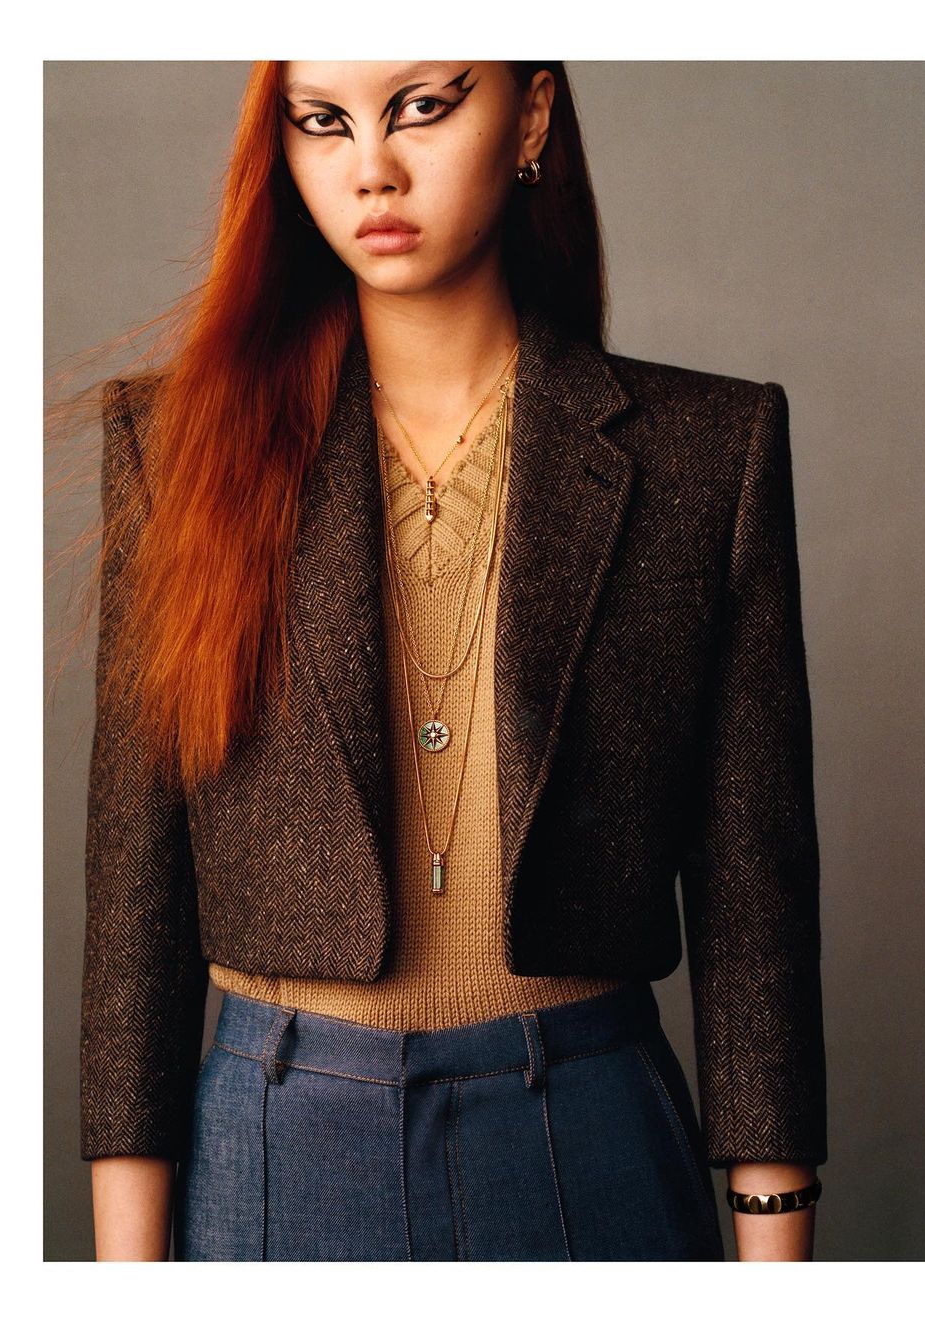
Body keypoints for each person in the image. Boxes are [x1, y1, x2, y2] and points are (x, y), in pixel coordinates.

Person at [80, 60, 828, 1261]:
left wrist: (775, 1254)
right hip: (276, 1136)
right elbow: (136, 904)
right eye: (322, 122)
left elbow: (757, 901)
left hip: (588, 1133)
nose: (372, 167)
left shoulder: (708, 452)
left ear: (531, 114)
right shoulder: (175, 448)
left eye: (423, 106)